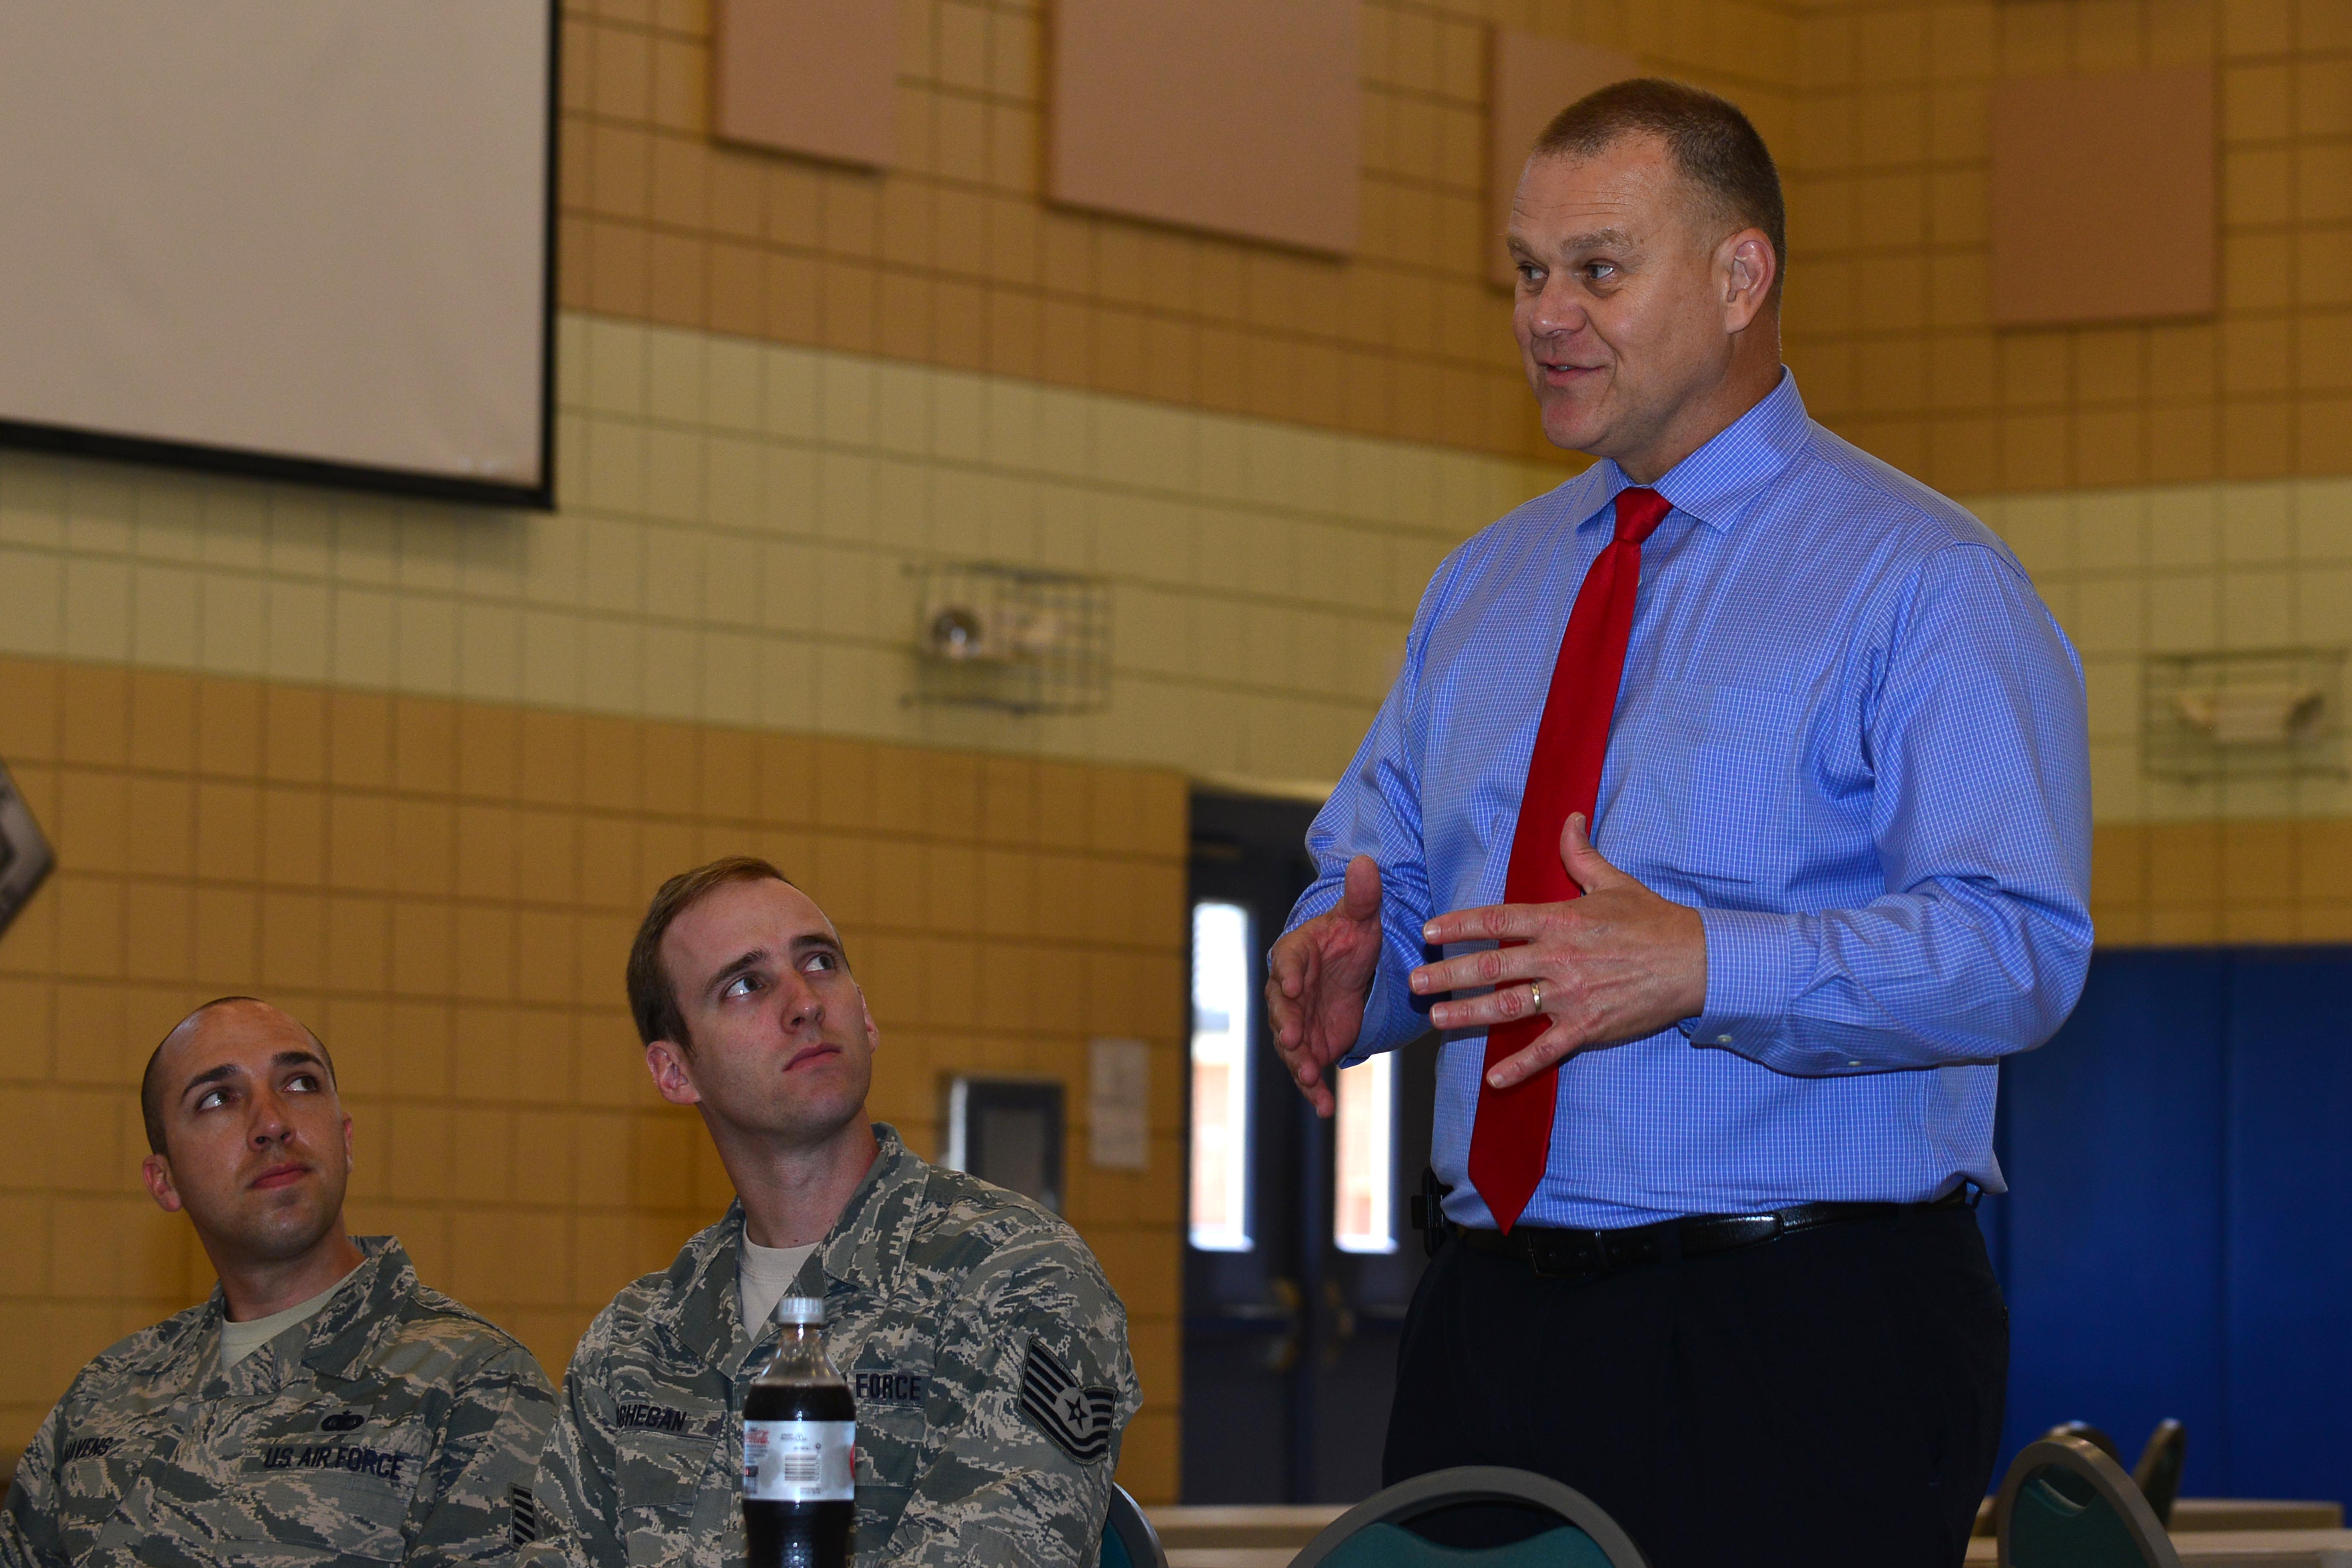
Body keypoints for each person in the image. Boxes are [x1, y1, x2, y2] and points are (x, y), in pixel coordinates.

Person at [1268, 79, 2091, 1568]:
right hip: (1495, 1315)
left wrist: (1706, 963)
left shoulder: (1925, 584)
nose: (1544, 315)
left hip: (1800, 1324)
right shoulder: (1485, 587)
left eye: (1597, 269)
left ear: (1737, 279)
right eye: (1526, 272)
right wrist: (1351, 961)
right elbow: (1381, 873)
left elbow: (2016, 946)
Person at [525, 857, 1138, 1568]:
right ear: (675, 1071)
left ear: (866, 1016)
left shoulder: (1015, 1276)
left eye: (819, 963)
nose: (804, 1003)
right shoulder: (634, 1347)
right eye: (747, 985)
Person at [1, 997, 556, 1566]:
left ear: (345, 1139)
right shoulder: (104, 1397)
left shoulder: (475, 1385)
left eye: (299, 1084)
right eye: (217, 1098)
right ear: (164, 1182)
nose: (271, 1123)